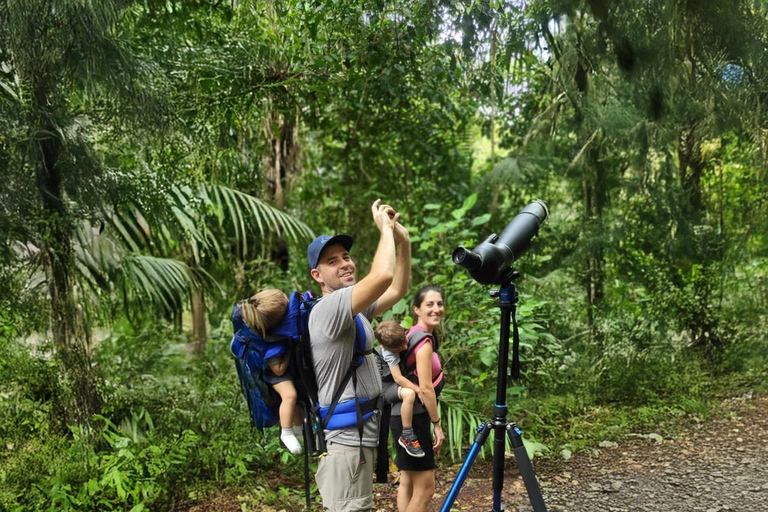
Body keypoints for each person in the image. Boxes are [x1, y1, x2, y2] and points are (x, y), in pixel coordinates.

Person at [307, 199, 411, 512]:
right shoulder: (330, 308)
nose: (345, 264)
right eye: (333, 261)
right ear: (317, 275)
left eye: (346, 256)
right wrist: (384, 230)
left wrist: (403, 241)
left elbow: (397, 289)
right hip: (345, 443)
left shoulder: (353, 311)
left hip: (360, 437)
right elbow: (382, 276)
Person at [390, 285, 446, 512]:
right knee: (425, 489)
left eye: (439, 304)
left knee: (408, 481)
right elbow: (425, 388)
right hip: (415, 418)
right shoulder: (423, 342)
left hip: (401, 415)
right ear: (416, 309)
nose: (436, 309)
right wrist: (437, 424)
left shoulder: (410, 334)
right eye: (429, 304)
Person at [238, 289, 303, 455]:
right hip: (275, 374)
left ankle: (299, 430)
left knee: (297, 403)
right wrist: (289, 350)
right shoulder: (272, 343)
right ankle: (286, 432)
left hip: (284, 369)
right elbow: (279, 370)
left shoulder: (276, 331)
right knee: (290, 396)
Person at [374, 320, 425, 458]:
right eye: (399, 349)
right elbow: (398, 378)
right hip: (384, 389)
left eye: (405, 342)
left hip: (392, 383)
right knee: (409, 393)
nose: (405, 347)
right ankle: (407, 435)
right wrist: (417, 390)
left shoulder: (401, 333)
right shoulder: (388, 353)